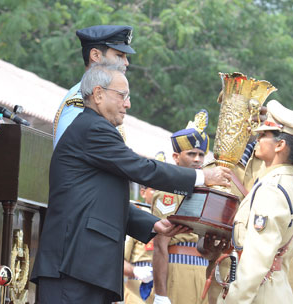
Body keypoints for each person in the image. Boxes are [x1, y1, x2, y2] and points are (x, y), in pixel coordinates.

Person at [31, 63, 232, 304]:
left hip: (85, 265)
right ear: (98, 94)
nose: (128, 104)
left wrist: (153, 225)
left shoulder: (94, 129)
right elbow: (141, 168)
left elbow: (102, 202)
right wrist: (202, 177)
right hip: (73, 264)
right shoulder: (93, 128)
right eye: (122, 96)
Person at [217, 100, 293, 304]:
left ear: (280, 145)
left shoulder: (272, 189)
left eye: (263, 135)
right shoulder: (289, 182)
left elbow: (255, 263)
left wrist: (233, 300)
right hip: (273, 288)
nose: (256, 139)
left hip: (260, 293)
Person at [152, 110, 211, 304]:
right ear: (176, 157)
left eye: (201, 155)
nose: (197, 159)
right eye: (192, 153)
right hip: (177, 268)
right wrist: (161, 293)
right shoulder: (167, 193)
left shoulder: (207, 192)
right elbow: (160, 245)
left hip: (203, 270)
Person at [53, 24, 135, 148]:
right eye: (119, 56)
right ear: (95, 55)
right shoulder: (80, 101)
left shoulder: (102, 97)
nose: (126, 62)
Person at [124, 152, 167, 304]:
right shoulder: (136, 218)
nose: (159, 193)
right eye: (154, 189)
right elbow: (118, 259)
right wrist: (135, 271)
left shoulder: (168, 219)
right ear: (142, 192)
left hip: (165, 283)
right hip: (139, 287)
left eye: (163, 188)